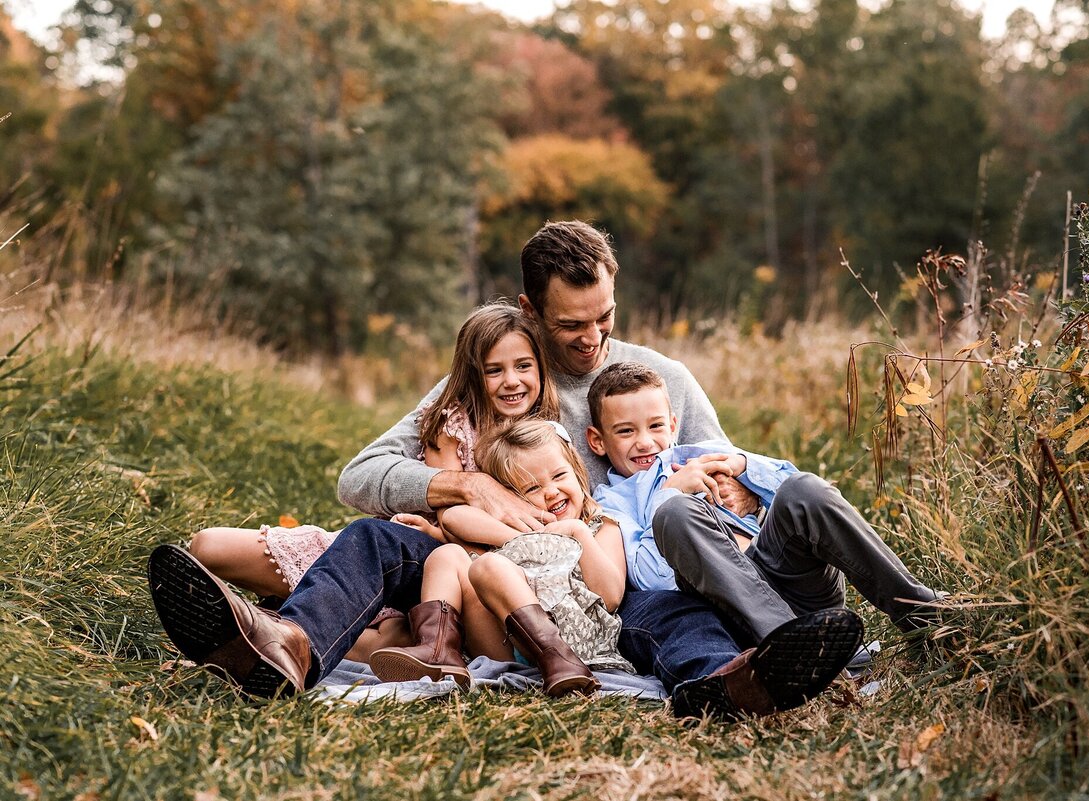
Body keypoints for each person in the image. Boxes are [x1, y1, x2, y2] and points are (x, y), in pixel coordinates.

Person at [147, 220, 863, 720]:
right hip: (478, 554)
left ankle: (727, 683)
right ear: (529, 308)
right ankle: (289, 647)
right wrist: (465, 483)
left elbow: (718, 486)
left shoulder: (660, 379)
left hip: (606, 565)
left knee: (675, 609)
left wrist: (724, 489)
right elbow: (362, 471)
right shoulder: (499, 369)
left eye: (604, 318)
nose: (592, 340)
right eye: (571, 325)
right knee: (369, 540)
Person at [180, 302, 556, 660]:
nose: (511, 381)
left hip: (447, 576)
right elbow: (448, 517)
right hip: (396, 549)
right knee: (207, 546)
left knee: (398, 639)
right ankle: (272, 616)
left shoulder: (548, 437)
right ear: (474, 374)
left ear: (540, 367)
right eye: (494, 370)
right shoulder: (453, 425)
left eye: (523, 366)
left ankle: (266, 627)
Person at [585, 362, 943, 643]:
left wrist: (744, 468)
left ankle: (923, 613)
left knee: (802, 487)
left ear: (674, 425)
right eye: (626, 431)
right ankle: (795, 646)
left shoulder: (701, 454)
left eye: (656, 426)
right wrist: (669, 495)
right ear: (598, 441)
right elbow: (651, 579)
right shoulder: (611, 504)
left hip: (790, 580)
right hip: (734, 609)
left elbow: (803, 494)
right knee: (676, 514)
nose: (645, 442)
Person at [369, 420, 629, 697]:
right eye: (531, 489)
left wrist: (577, 532)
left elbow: (611, 596)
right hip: (507, 644)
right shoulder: (521, 530)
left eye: (559, 476)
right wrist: (532, 534)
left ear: (577, 473)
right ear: (513, 499)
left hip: (578, 646)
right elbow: (457, 517)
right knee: (447, 555)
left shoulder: (598, 525)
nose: (550, 491)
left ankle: (559, 659)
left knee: (489, 565)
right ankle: (438, 652)